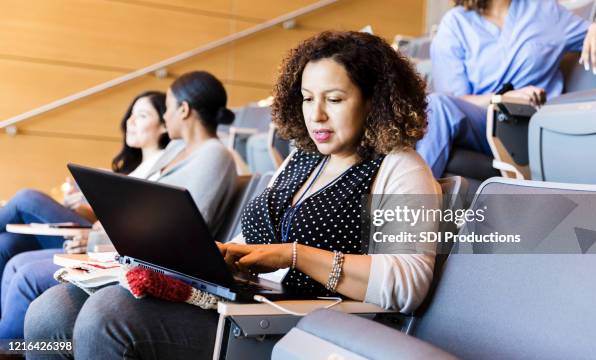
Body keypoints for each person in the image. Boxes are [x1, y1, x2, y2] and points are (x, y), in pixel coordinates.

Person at [24, 31, 441, 360]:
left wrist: (293, 255)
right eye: (308, 98)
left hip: (299, 328)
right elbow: (252, 240)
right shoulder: (301, 159)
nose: (315, 115)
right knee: (52, 312)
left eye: (334, 100)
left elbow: (409, 286)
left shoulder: (402, 170)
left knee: (109, 317)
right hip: (245, 304)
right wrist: (222, 256)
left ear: (375, 102)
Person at [5, 69, 239, 341]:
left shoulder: (215, 155)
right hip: (123, 250)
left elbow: (188, 227)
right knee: (16, 256)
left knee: (28, 274)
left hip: (150, 264)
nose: (165, 116)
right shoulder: (176, 150)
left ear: (184, 110)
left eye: (169, 107)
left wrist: (101, 237)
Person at [416, 0, 596, 177]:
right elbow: (455, 99)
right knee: (435, 106)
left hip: (528, 123)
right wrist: (502, 98)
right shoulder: (455, 23)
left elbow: (592, 33)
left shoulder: (547, 12)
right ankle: (401, 201)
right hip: (483, 120)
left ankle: (401, 206)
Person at [0, 90, 170, 339]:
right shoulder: (132, 168)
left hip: (104, 242)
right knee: (7, 243)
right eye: (131, 115)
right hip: (93, 232)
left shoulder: (164, 167)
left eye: (142, 116)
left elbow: (133, 221)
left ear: (165, 125)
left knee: (28, 198)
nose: (130, 122)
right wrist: (84, 203)